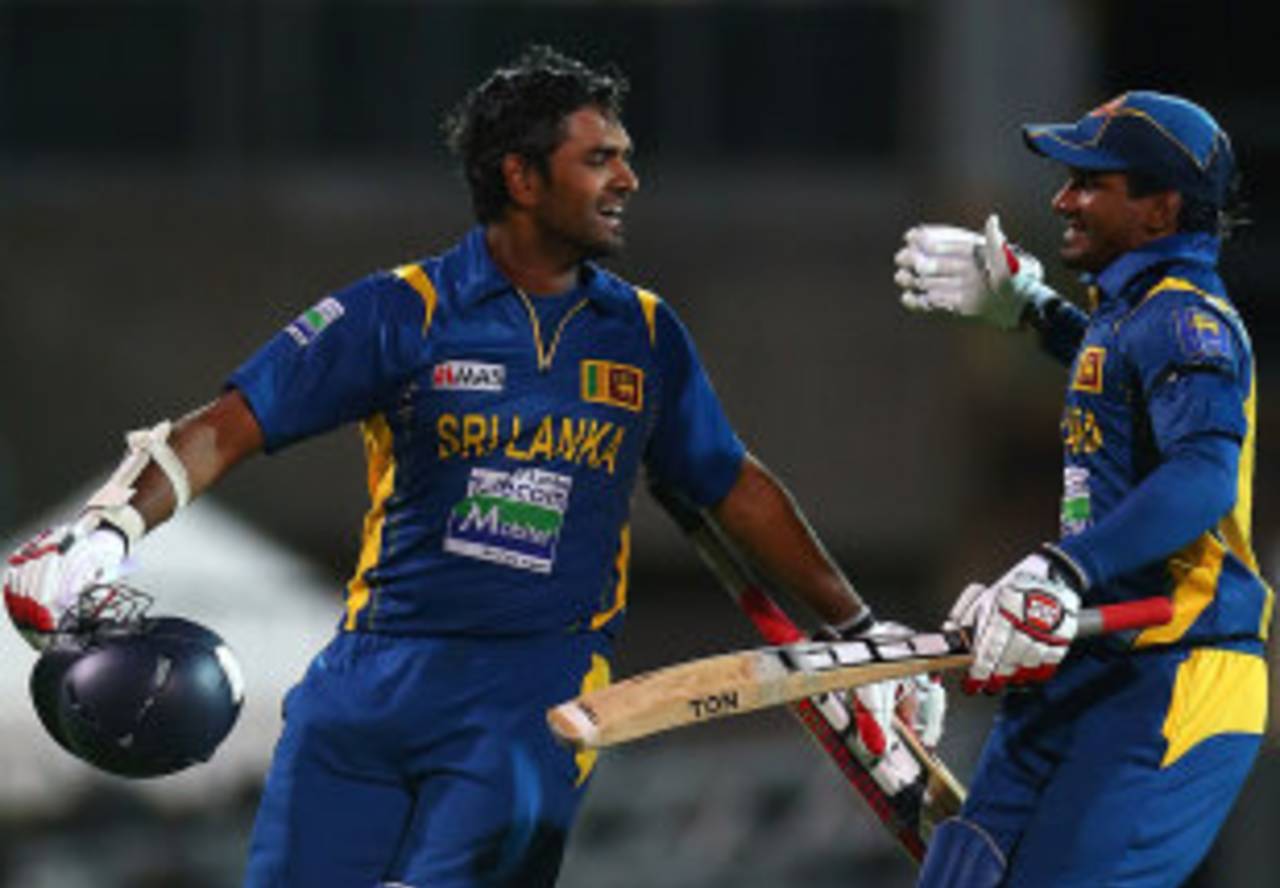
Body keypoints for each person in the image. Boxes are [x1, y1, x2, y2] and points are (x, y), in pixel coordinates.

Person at [5, 46, 939, 887]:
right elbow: (226, 427)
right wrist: (107, 530)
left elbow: (728, 484)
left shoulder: (646, 334)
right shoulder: (397, 311)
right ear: (521, 177)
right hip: (365, 692)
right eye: (599, 158)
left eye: (625, 154)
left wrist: (861, 631)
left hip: (533, 700)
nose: (629, 178)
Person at [894, 90, 1269, 886]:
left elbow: (1202, 475)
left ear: (1160, 210)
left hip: (1175, 671)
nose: (1062, 198)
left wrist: (1061, 570)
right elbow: (1115, 378)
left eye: (1091, 182)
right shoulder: (1127, 314)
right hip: (1091, 655)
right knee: (960, 872)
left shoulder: (1187, 319)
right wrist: (1031, 312)